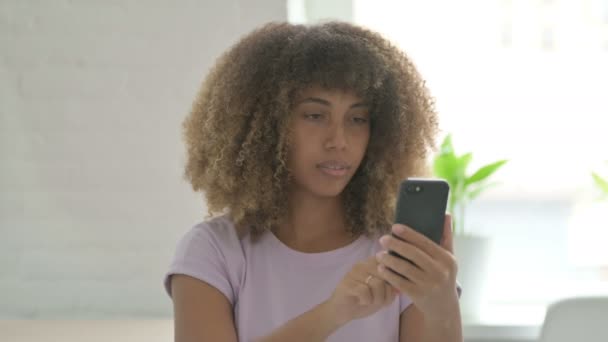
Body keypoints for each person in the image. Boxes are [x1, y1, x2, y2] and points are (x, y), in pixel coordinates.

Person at [163, 21, 462, 342]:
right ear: (265, 125)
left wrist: (442, 304)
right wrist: (335, 312)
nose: (339, 140)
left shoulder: (396, 252)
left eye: (357, 119)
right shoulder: (214, 251)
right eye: (315, 115)